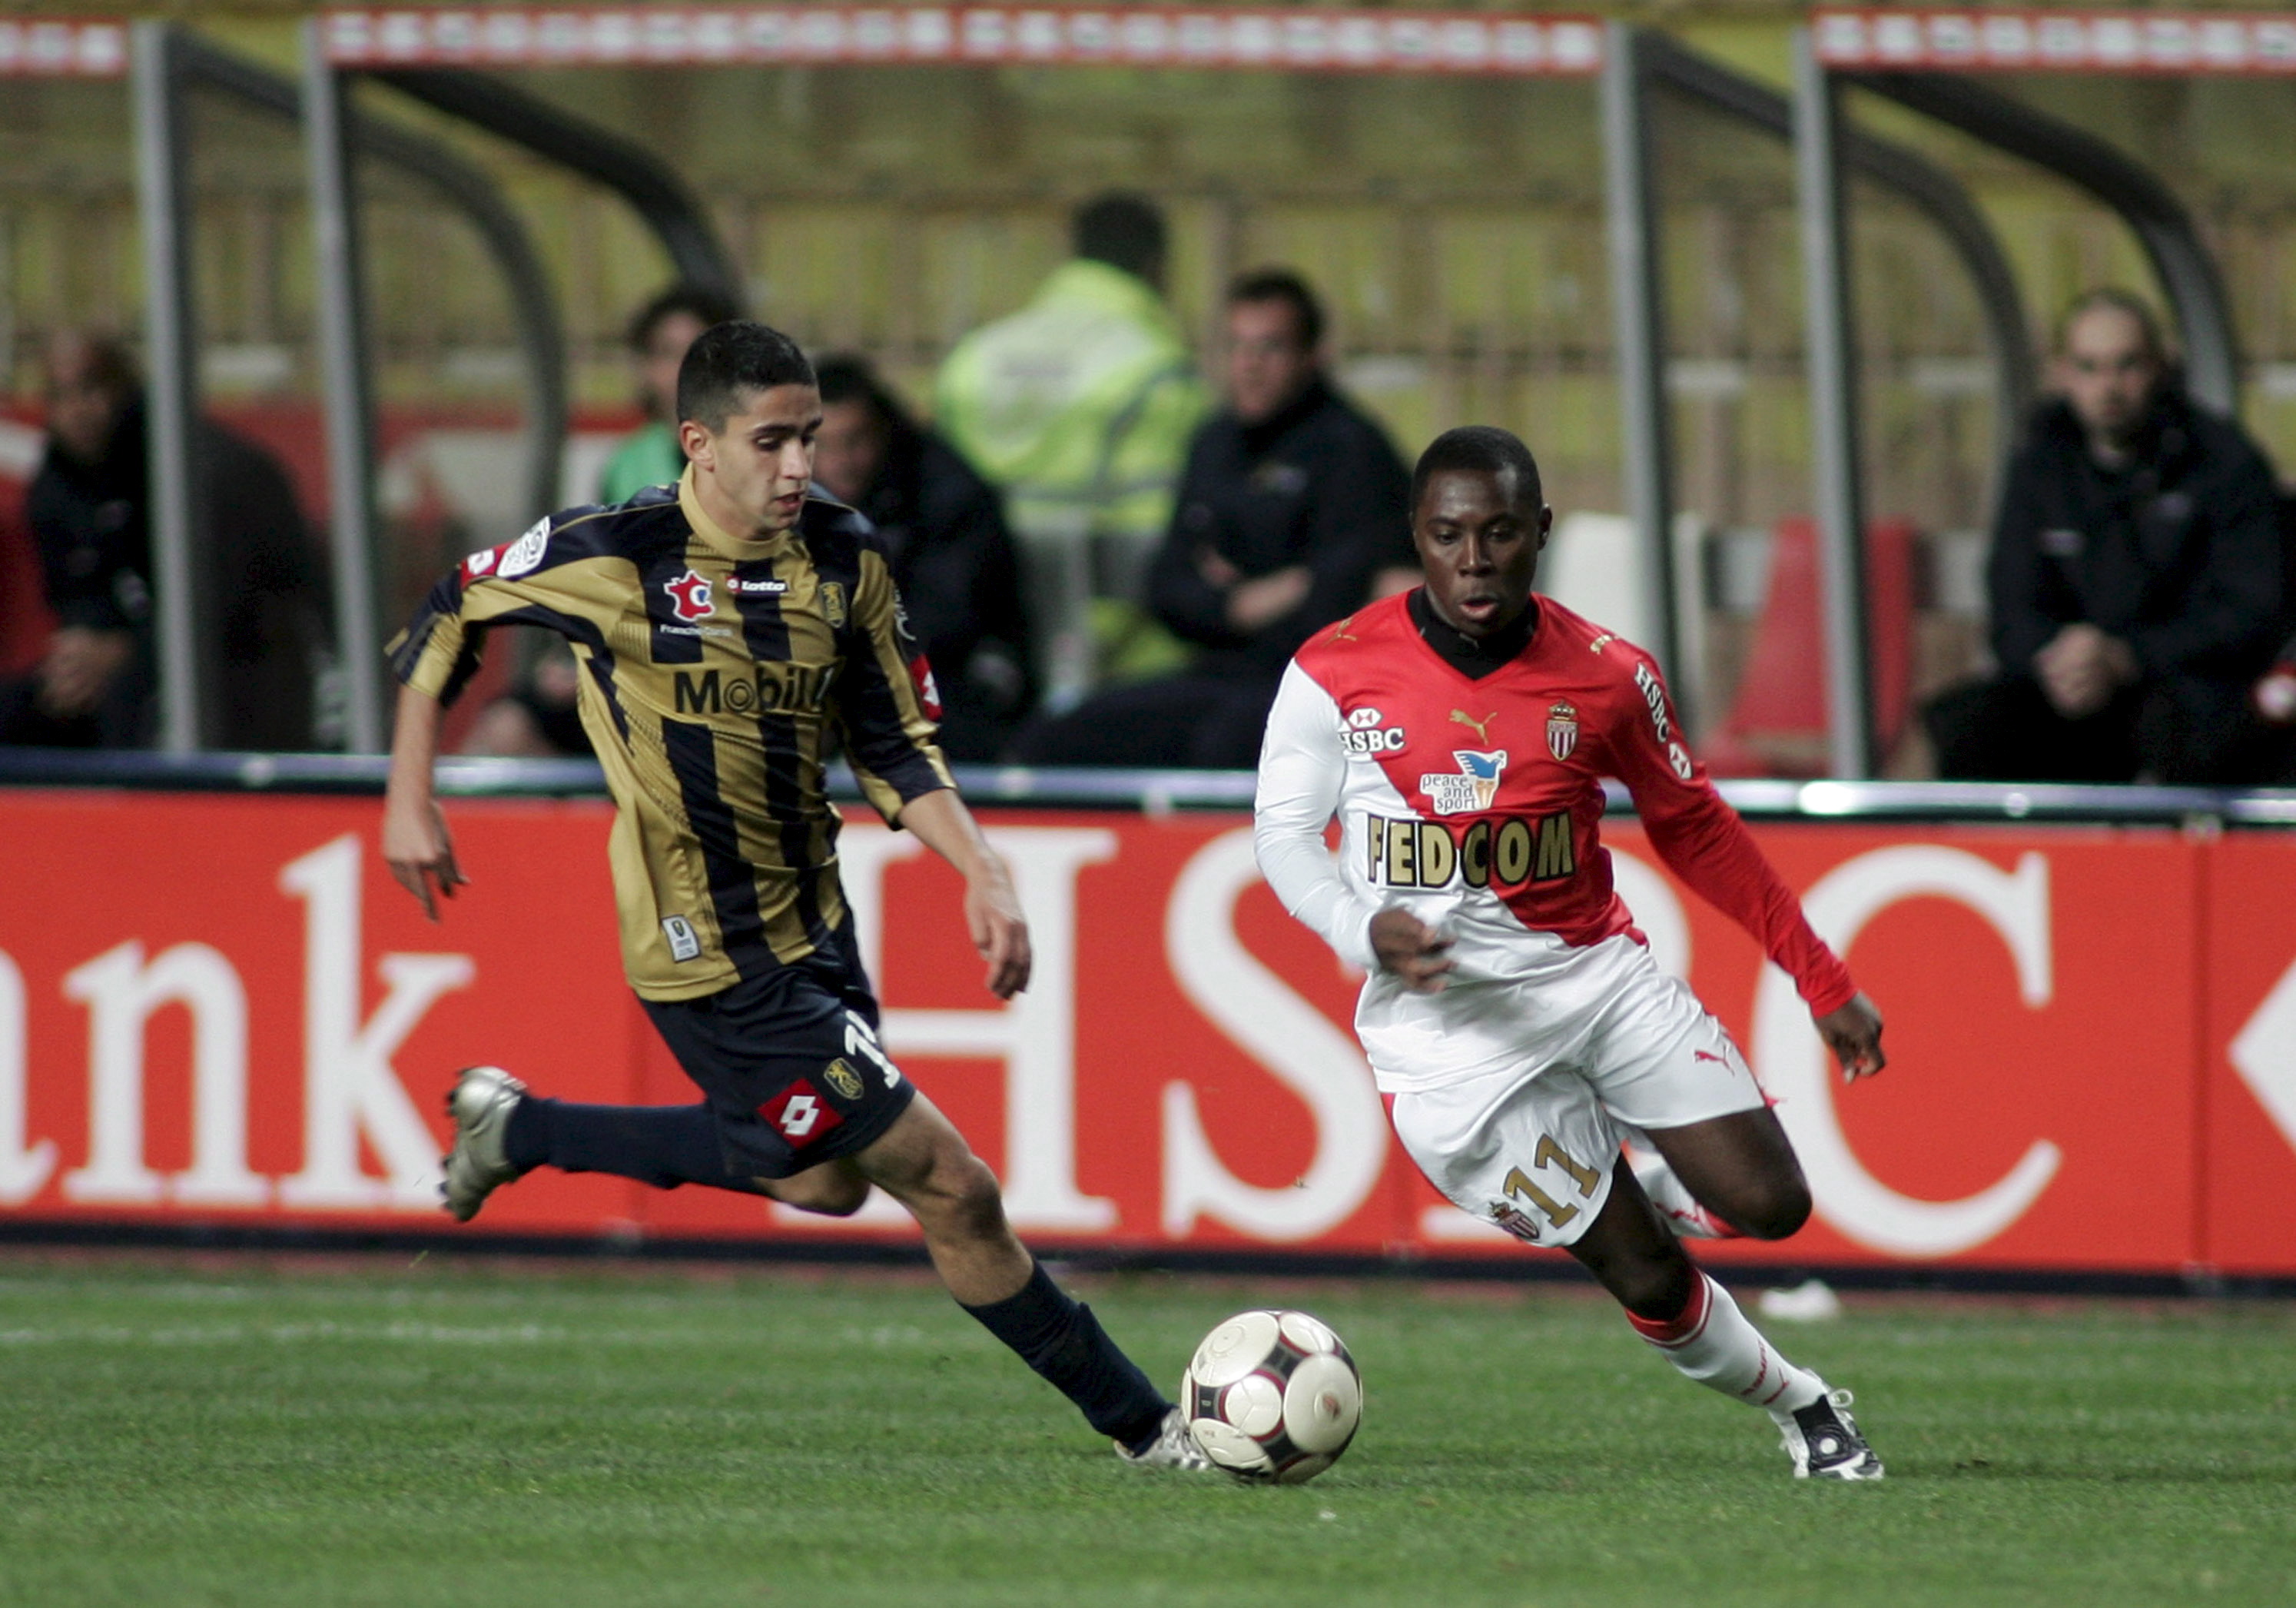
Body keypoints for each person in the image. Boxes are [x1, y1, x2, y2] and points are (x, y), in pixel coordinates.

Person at [381, 321, 1209, 1473]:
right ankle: (1150, 1427)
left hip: (814, 923)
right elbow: (448, 609)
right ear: (699, 444)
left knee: (818, 1177)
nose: (798, 467)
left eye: (809, 438)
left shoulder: (846, 556)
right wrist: (409, 794)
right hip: (706, 947)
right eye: (770, 442)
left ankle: (519, 1126)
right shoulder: (615, 554)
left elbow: (896, 746)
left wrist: (981, 869)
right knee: (949, 1185)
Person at [1254, 425, 1889, 1480]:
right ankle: (1807, 1406)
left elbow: (1695, 826)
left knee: (1773, 1208)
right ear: (1417, 534)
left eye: (1500, 532)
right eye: (1449, 534)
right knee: (1646, 1275)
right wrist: (1357, 926)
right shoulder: (1335, 672)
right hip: (1449, 1041)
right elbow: (1282, 835)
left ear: (1538, 532)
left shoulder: (1605, 675)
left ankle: (1645, 1175)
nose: (1474, 559)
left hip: (1595, 980)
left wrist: (1819, 976)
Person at [1010, 271, 1414, 769]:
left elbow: (1336, 606)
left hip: (1315, 688)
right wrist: (1244, 604)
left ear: (1312, 356)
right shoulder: (1215, 443)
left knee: (1223, 748)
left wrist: (1241, 601)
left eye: (1271, 348)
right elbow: (1166, 589)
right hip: (1218, 675)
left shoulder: (1353, 450)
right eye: (1237, 347)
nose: (1250, 366)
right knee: (1050, 742)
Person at [1924, 289, 2285, 783]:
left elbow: (2249, 612)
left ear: (2160, 366)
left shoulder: (2222, 463)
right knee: (1968, 724)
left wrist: (2128, 657)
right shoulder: (2040, 464)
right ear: (2061, 373)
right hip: (2070, 693)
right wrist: (2059, 658)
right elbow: (2011, 605)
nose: (2109, 387)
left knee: (2195, 733)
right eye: (2090, 367)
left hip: (2184, 690)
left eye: (2126, 365)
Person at [935, 193, 1209, 706]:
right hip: (1119, 659)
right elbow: (1157, 527)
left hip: (985, 642)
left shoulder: (974, 358)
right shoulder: (1154, 366)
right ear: (1156, 266)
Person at [0, 331, 327, 750]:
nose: (77, 410)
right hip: (127, 666)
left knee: (130, 706)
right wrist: (82, 658)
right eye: (60, 396)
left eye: (91, 388)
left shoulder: (205, 473)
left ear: (127, 389)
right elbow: (79, 599)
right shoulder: (58, 485)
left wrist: (122, 652)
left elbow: (226, 611)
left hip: (240, 674)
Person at [811, 354, 1033, 762]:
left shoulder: (949, 497)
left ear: (883, 431)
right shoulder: (782, 496)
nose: (839, 463)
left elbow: (944, 621)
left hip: (953, 678)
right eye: (820, 445)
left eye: (854, 442)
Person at [597, 284, 741, 505]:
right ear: (646, 367)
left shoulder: (756, 453)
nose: (684, 367)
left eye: (698, 352)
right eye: (668, 353)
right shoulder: (629, 465)